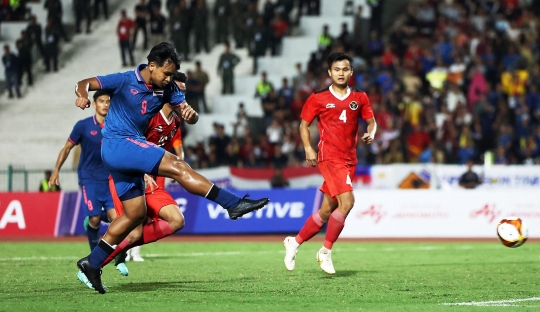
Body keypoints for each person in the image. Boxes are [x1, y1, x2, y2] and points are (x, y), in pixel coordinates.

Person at [74, 42, 269, 294]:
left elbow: (189, 113)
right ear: (151, 66)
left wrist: (190, 114)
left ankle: (93, 262)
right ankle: (232, 203)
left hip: (125, 152)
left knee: (134, 214)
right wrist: (81, 94)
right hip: (117, 143)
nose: (168, 79)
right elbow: (85, 83)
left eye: (171, 74)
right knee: (178, 165)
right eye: (165, 73)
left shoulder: (168, 89)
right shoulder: (123, 80)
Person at [283, 52, 377, 275]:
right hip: (329, 157)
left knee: (327, 210)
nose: (341, 73)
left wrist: (371, 134)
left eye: (345, 69)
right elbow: (303, 126)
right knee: (347, 202)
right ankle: (325, 252)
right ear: (329, 72)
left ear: (351, 72)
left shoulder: (360, 98)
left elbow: (372, 123)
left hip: (349, 160)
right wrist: (308, 148)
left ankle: (294, 242)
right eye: (337, 69)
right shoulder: (318, 98)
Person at [48, 91, 130, 274]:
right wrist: (56, 171)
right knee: (94, 218)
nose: (105, 104)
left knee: (118, 219)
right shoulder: (83, 126)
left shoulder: (117, 126)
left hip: (111, 179)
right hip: (89, 179)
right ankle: (96, 257)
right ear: (94, 104)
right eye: (101, 101)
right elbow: (67, 147)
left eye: (108, 101)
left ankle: (120, 258)